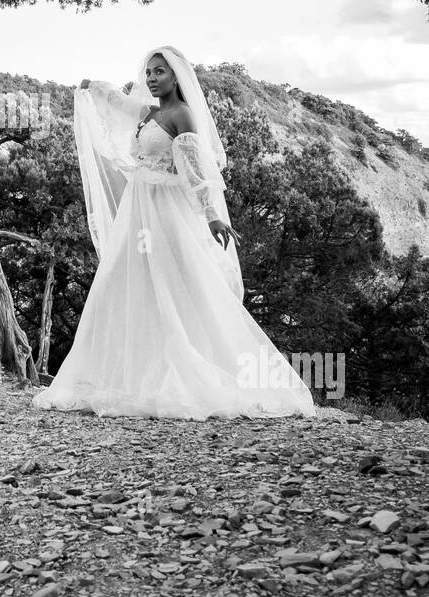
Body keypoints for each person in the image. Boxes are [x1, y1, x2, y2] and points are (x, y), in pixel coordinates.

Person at [32, 46, 316, 420]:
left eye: (160, 72)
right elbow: (120, 102)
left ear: (176, 77)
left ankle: (191, 369)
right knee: (124, 280)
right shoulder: (153, 111)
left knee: (172, 281)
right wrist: (93, 87)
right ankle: (127, 374)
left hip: (164, 209)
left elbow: (195, 168)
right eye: (148, 72)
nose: (151, 78)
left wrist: (213, 214)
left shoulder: (181, 114)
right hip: (139, 207)